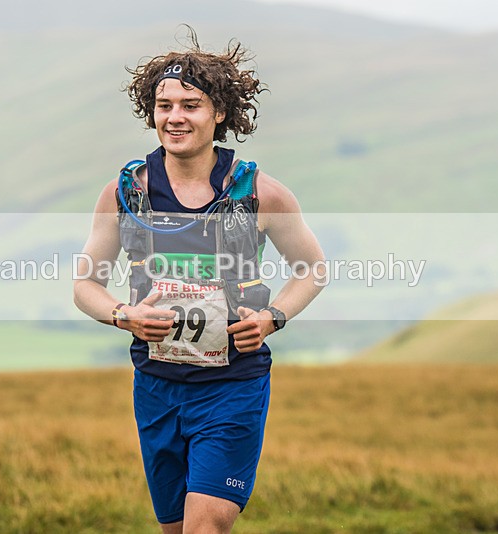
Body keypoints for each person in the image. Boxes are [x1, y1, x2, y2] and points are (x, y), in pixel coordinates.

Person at [73, 30, 325, 534]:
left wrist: (272, 317)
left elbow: (312, 268)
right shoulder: (125, 192)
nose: (175, 117)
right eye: (164, 106)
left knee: (204, 527)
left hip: (233, 386)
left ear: (220, 113)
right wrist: (123, 315)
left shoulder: (260, 193)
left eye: (191, 106)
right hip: (156, 386)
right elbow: (85, 286)